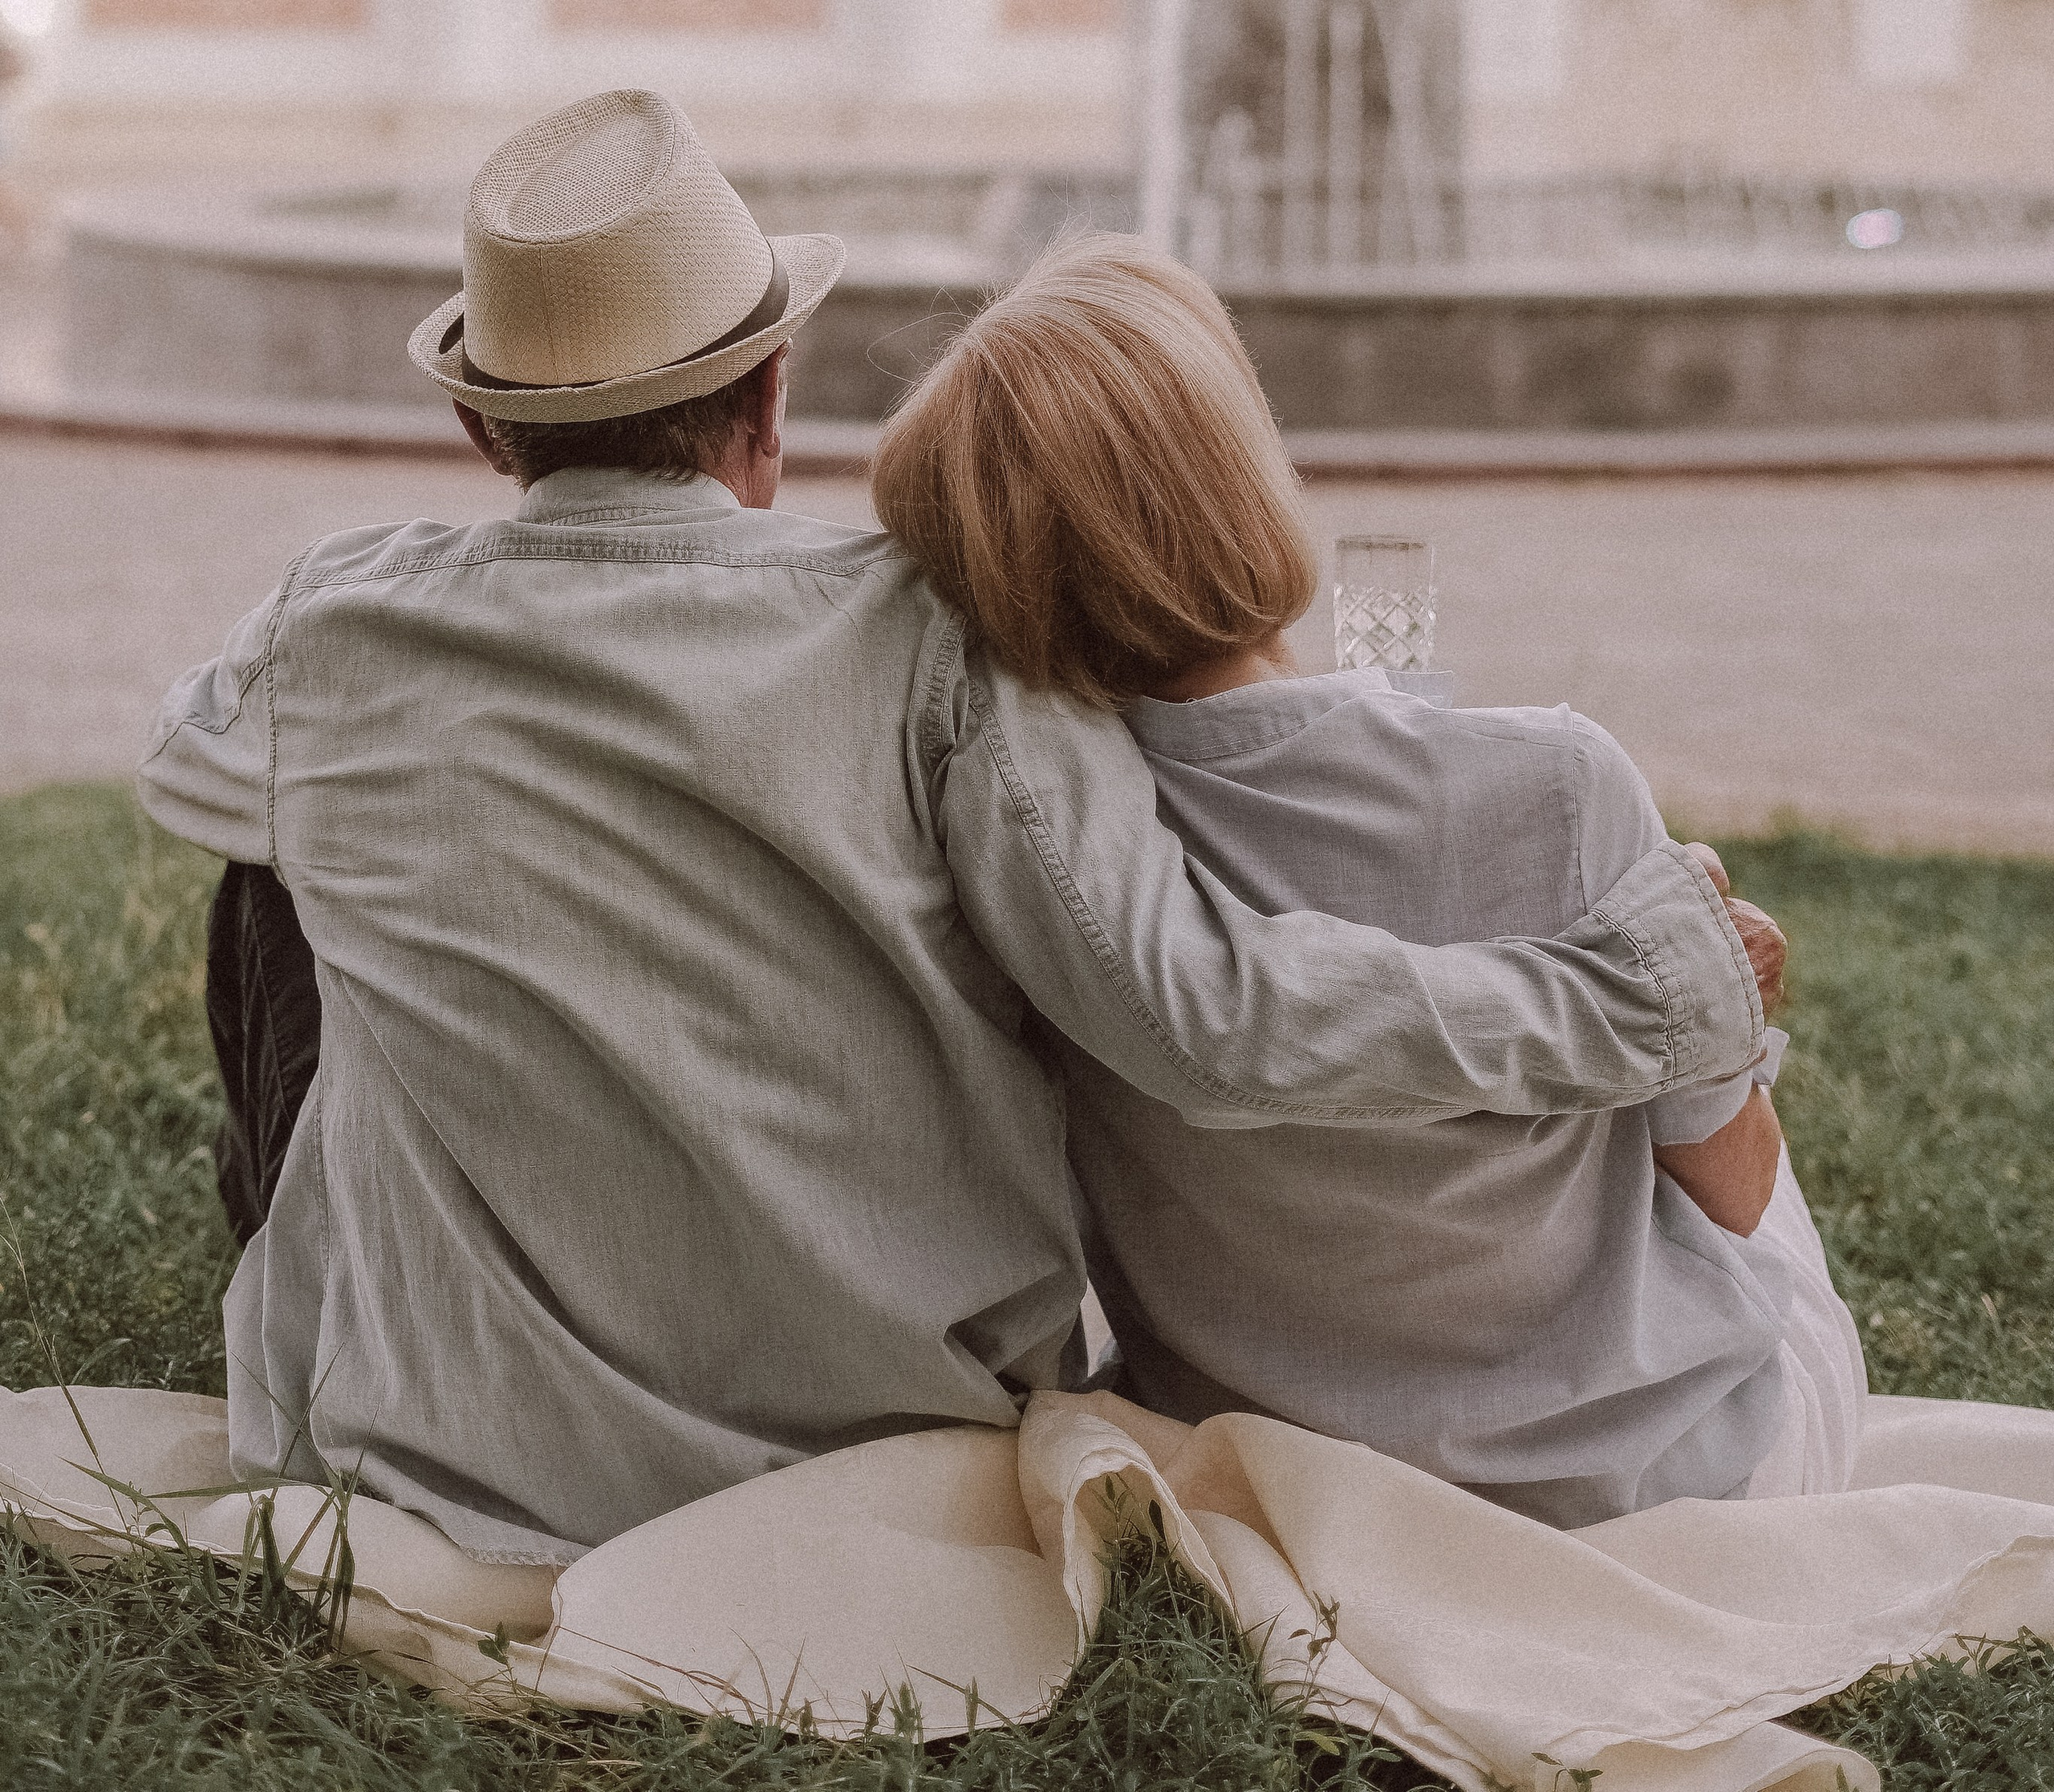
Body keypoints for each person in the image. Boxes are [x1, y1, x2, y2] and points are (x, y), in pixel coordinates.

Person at [142, 93, 1773, 1567]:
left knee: (275, 861)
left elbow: (184, 770)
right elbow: (1196, 1018)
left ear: (481, 433)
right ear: (770, 398)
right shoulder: (927, 644)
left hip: (425, 1447)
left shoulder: (339, 625)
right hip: (868, 1427)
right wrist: (1628, 997)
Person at [872, 233, 1863, 1529]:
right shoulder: (1557, 781)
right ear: (1237, 467)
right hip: (1660, 1480)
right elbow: (1725, 1192)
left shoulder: (1050, 866)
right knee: (1741, 1129)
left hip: (1282, 1477)